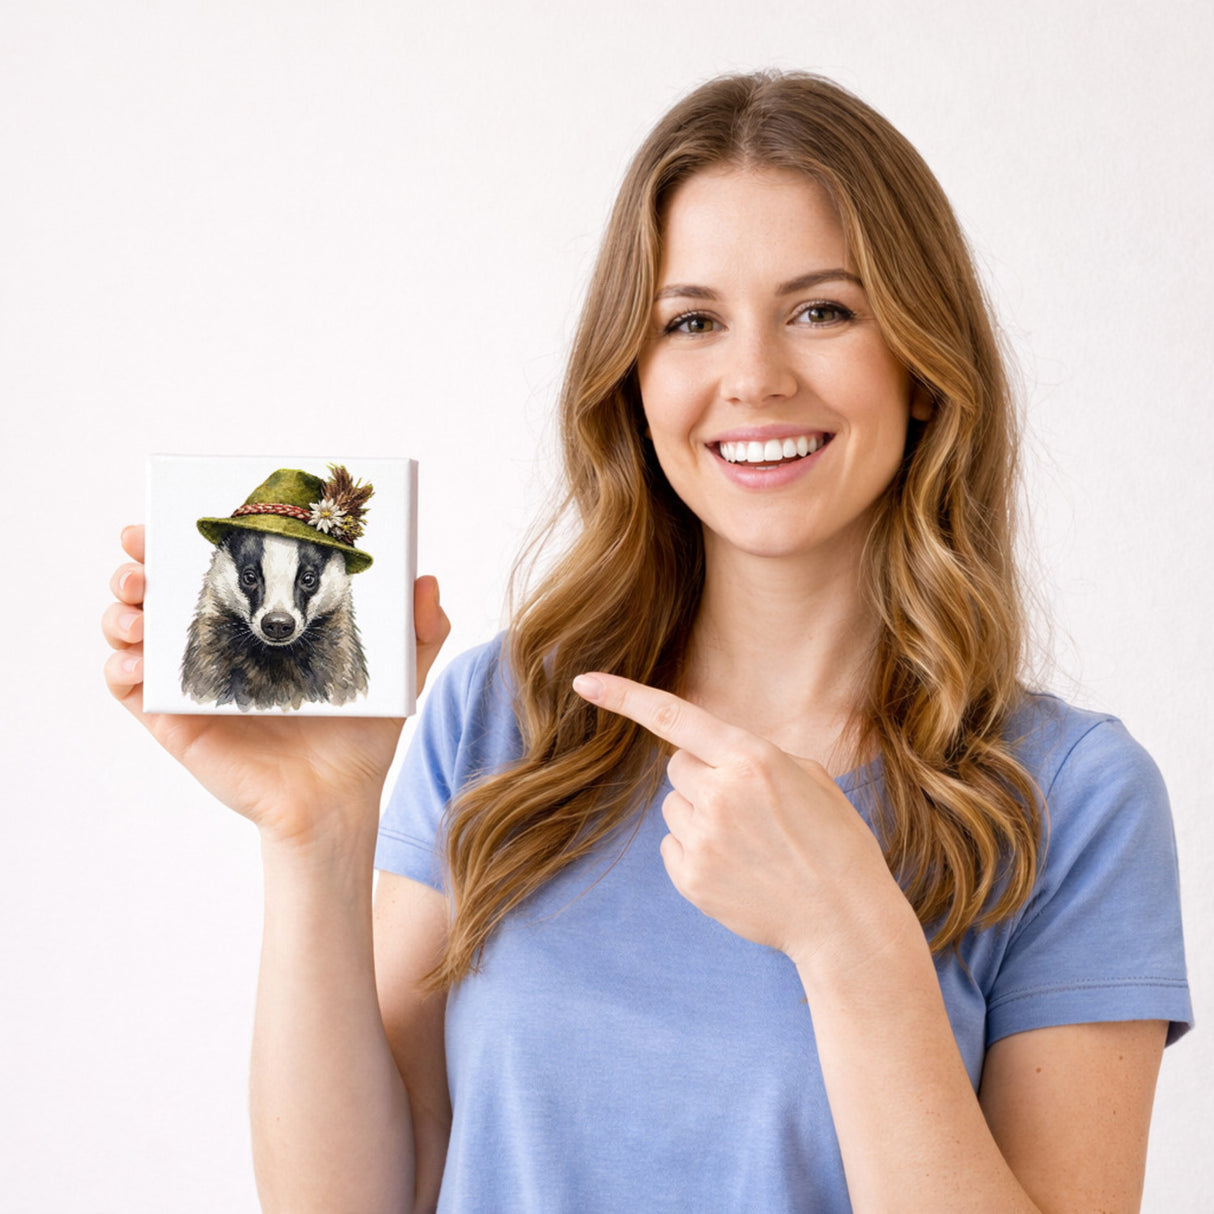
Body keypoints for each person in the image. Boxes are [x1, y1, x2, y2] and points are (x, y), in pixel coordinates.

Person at [103, 71, 1191, 1213]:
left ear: (921, 365)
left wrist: (849, 940)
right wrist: (318, 839)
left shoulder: (1072, 797)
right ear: (633, 375)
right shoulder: (498, 714)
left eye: (822, 309)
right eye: (690, 321)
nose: (754, 376)